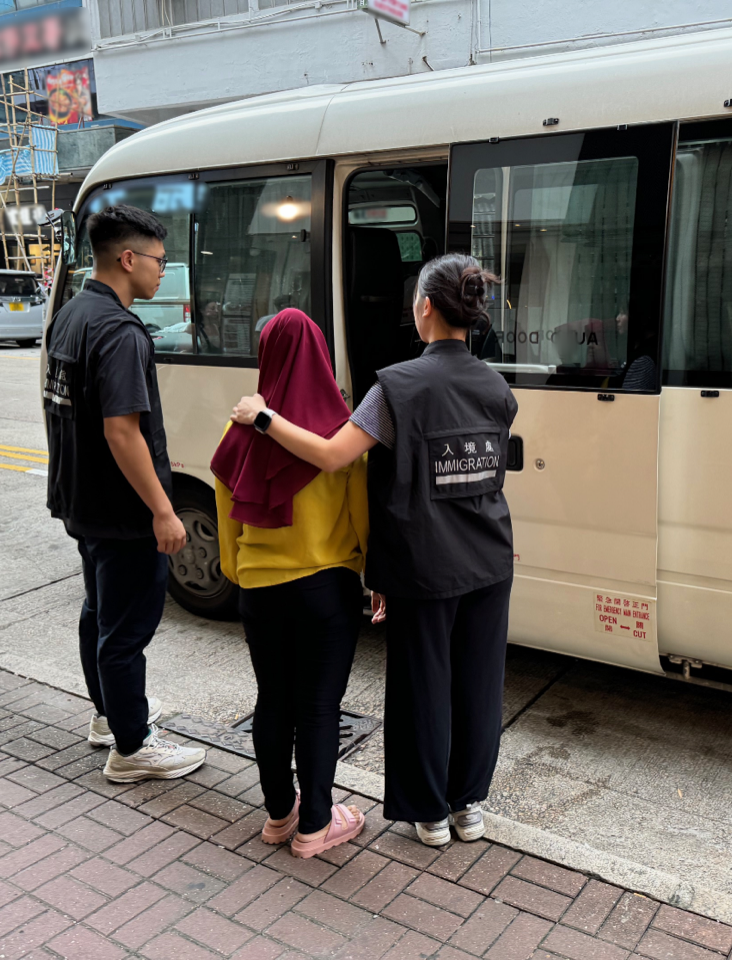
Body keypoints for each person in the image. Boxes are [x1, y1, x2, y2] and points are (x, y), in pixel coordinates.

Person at [231, 253, 517, 847]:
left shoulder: (397, 386)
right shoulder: (497, 385)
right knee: (479, 683)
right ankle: (469, 808)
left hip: (426, 564)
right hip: (490, 558)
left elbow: (335, 455)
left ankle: (430, 815)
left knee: (424, 685)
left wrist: (263, 419)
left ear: (425, 308)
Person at [43, 204, 206, 783]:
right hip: (122, 511)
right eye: (160, 260)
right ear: (128, 258)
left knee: (100, 611)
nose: (164, 270)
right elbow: (121, 429)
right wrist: (163, 510)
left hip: (82, 501)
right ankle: (133, 748)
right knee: (127, 629)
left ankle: (109, 717)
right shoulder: (118, 330)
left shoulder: (71, 315)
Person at [211, 308, 369, 859]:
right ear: (320, 356)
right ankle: (316, 827)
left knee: (272, 702)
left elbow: (228, 529)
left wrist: (246, 575)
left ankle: (280, 817)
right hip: (326, 590)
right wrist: (370, 577)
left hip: (259, 590)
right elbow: (361, 521)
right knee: (320, 708)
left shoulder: (240, 431)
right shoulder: (340, 433)